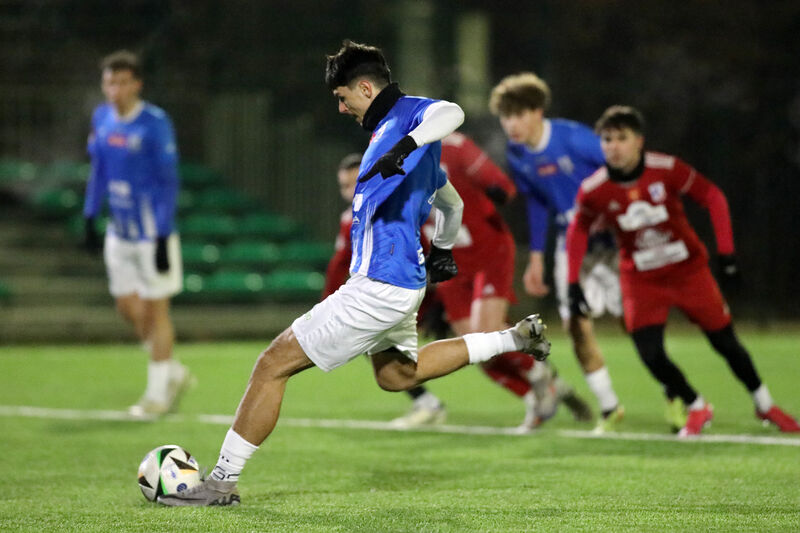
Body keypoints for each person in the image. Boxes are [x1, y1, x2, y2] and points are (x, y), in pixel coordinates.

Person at [158, 40, 551, 507]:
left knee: (270, 366)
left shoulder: (409, 122)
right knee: (399, 376)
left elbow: (452, 112)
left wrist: (406, 145)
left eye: (344, 98)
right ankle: (513, 339)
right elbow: (452, 201)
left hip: (378, 286)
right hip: (403, 284)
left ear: (366, 88)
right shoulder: (396, 136)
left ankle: (220, 483)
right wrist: (443, 247)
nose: (342, 108)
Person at [566, 105, 800, 437]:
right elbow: (578, 230)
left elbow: (713, 197)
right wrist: (573, 283)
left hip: (688, 272)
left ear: (639, 142)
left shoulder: (666, 169)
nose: (613, 146)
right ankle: (696, 404)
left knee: (726, 343)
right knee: (650, 354)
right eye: (607, 139)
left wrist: (727, 256)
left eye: (622, 138)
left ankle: (765, 404)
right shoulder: (594, 188)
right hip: (642, 278)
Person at [428, 132, 592, 431]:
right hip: (450, 264)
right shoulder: (390, 165)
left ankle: (542, 380)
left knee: (486, 332)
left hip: (487, 250)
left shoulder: (451, 145)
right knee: (471, 350)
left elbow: (500, 184)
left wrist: (498, 187)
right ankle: (542, 392)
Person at [489, 72, 624, 433]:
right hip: (572, 244)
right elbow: (536, 202)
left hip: (615, 240)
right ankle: (610, 409)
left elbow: (624, 169)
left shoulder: (576, 139)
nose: (511, 124)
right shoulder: (518, 154)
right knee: (575, 325)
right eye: (506, 116)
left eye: (518, 115)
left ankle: (683, 398)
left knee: (636, 322)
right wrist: (536, 257)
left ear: (538, 112)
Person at [83, 50, 192, 417]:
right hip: (119, 230)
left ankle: (157, 395)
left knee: (156, 310)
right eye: (110, 82)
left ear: (137, 84)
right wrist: (89, 216)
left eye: (123, 81)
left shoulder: (154, 123)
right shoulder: (102, 118)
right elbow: (98, 169)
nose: (116, 89)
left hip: (151, 233)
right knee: (128, 307)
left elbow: (167, 181)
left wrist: (162, 236)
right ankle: (172, 371)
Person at [324, 153, 446, 428]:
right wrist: (327, 303)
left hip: (412, 290)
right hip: (392, 293)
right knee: (376, 344)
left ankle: (428, 403)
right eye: (344, 185)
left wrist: (437, 293)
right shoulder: (352, 217)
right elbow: (339, 263)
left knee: (381, 343)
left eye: (354, 182)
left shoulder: (396, 207)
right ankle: (426, 403)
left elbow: (429, 249)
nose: (349, 191)